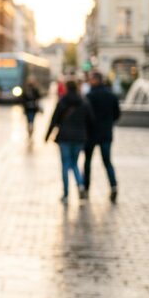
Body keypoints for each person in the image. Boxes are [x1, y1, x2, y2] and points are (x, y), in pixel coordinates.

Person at [45, 80, 93, 203]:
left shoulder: (62, 101)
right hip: (79, 138)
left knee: (65, 165)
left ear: (66, 88)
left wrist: (47, 136)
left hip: (65, 138)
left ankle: (66, 194)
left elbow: (54, 120)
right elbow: (91, 121)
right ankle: (81, 185)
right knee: (74, 164)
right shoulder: (84, 102)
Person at [83, 71, 120, 202]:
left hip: (91, 134)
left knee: (87, 162)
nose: (89, 81)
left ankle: (86, 189)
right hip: (106, 133)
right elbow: (117, 115)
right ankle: (113, 186)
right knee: (107, 162)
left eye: (91, 79)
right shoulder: (111, 96)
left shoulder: (89, 96)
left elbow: (85, 116)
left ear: (95, 80)